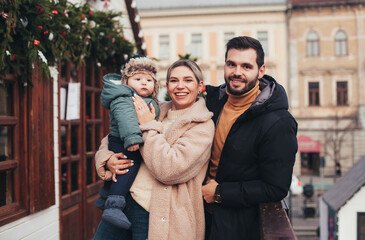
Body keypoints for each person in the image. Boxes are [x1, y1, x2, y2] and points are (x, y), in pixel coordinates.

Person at [94, 59, 215, 240]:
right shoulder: (155, 108)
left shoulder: (203, 125)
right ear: (166, 85)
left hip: (156, 213)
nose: (180, 86)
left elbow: (169, 169)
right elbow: (114, 135)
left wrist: (148, 126)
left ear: (200, 86)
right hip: (122, 202)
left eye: (188, 80)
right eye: (174, 81)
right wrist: (107, 158)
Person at [201, 36, 298, 239]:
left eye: (246, 66)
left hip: (238, 227)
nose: (237, 72)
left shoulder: (278, 121)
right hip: (201, 219)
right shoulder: (212, 102)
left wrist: (220, 193)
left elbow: (276, 187)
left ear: (260, 71)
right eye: (231, 64)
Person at [94, 56, 160, 229]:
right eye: (138, 79)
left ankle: (105, 197)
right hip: (126, 141)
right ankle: (113, 207)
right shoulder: (126, 98)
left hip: (127, 141)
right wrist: (132, 138)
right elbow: (126, 119)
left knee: (124, 168)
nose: (144, 83)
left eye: (148, 80)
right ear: (126, 82)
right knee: (128, 166)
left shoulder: (147, 100)